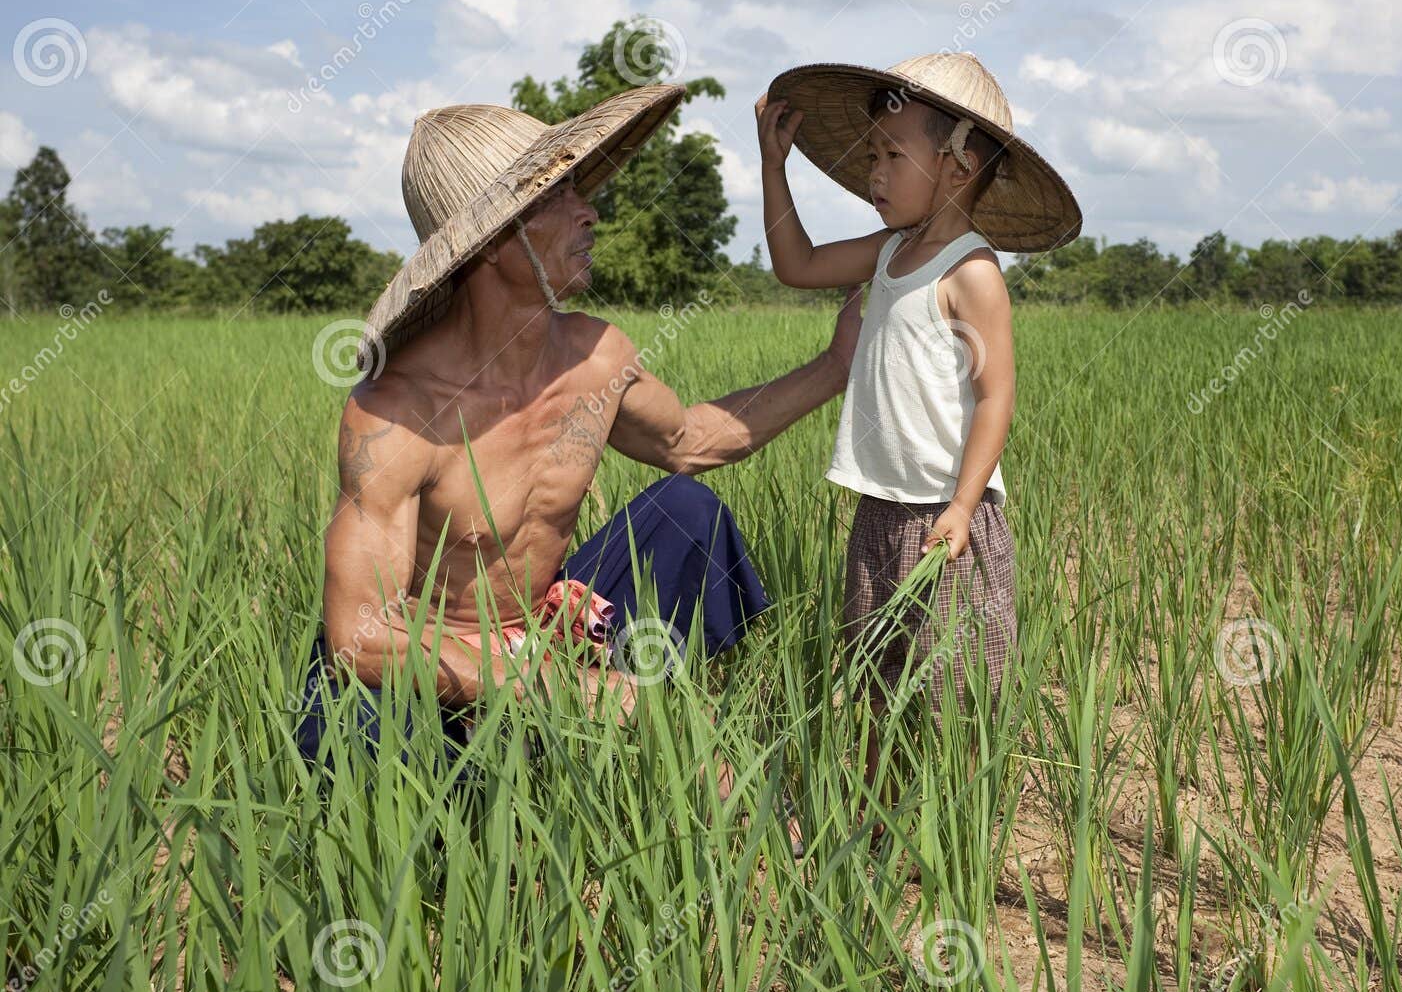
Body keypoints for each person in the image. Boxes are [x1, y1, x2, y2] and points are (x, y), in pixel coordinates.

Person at [299, 90, 862, 856]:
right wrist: (547, 684)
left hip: (546, 629)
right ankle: (496, 808)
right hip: (437, 661)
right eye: (559, 195)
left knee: (686, 509)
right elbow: (360, 635)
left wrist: (835, 365)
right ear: (495, 241)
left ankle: (632, 746)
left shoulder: (597, 356)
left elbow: (693, 438)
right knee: (358, 727)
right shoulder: (399, 413)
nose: (590, 212)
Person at [756, 50, 1081, 810]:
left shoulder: (972, 275)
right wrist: (775, 166)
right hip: (879, 514)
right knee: (875, 688)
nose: (873, 172)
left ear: (960, 163)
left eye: (891, 154)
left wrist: (964, 507)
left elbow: (995, 398)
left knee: (950, 699)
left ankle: (954, 836)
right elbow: (794, 263)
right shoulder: (888, 254)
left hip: (946, 526)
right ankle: (876, 829)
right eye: (871, 154)